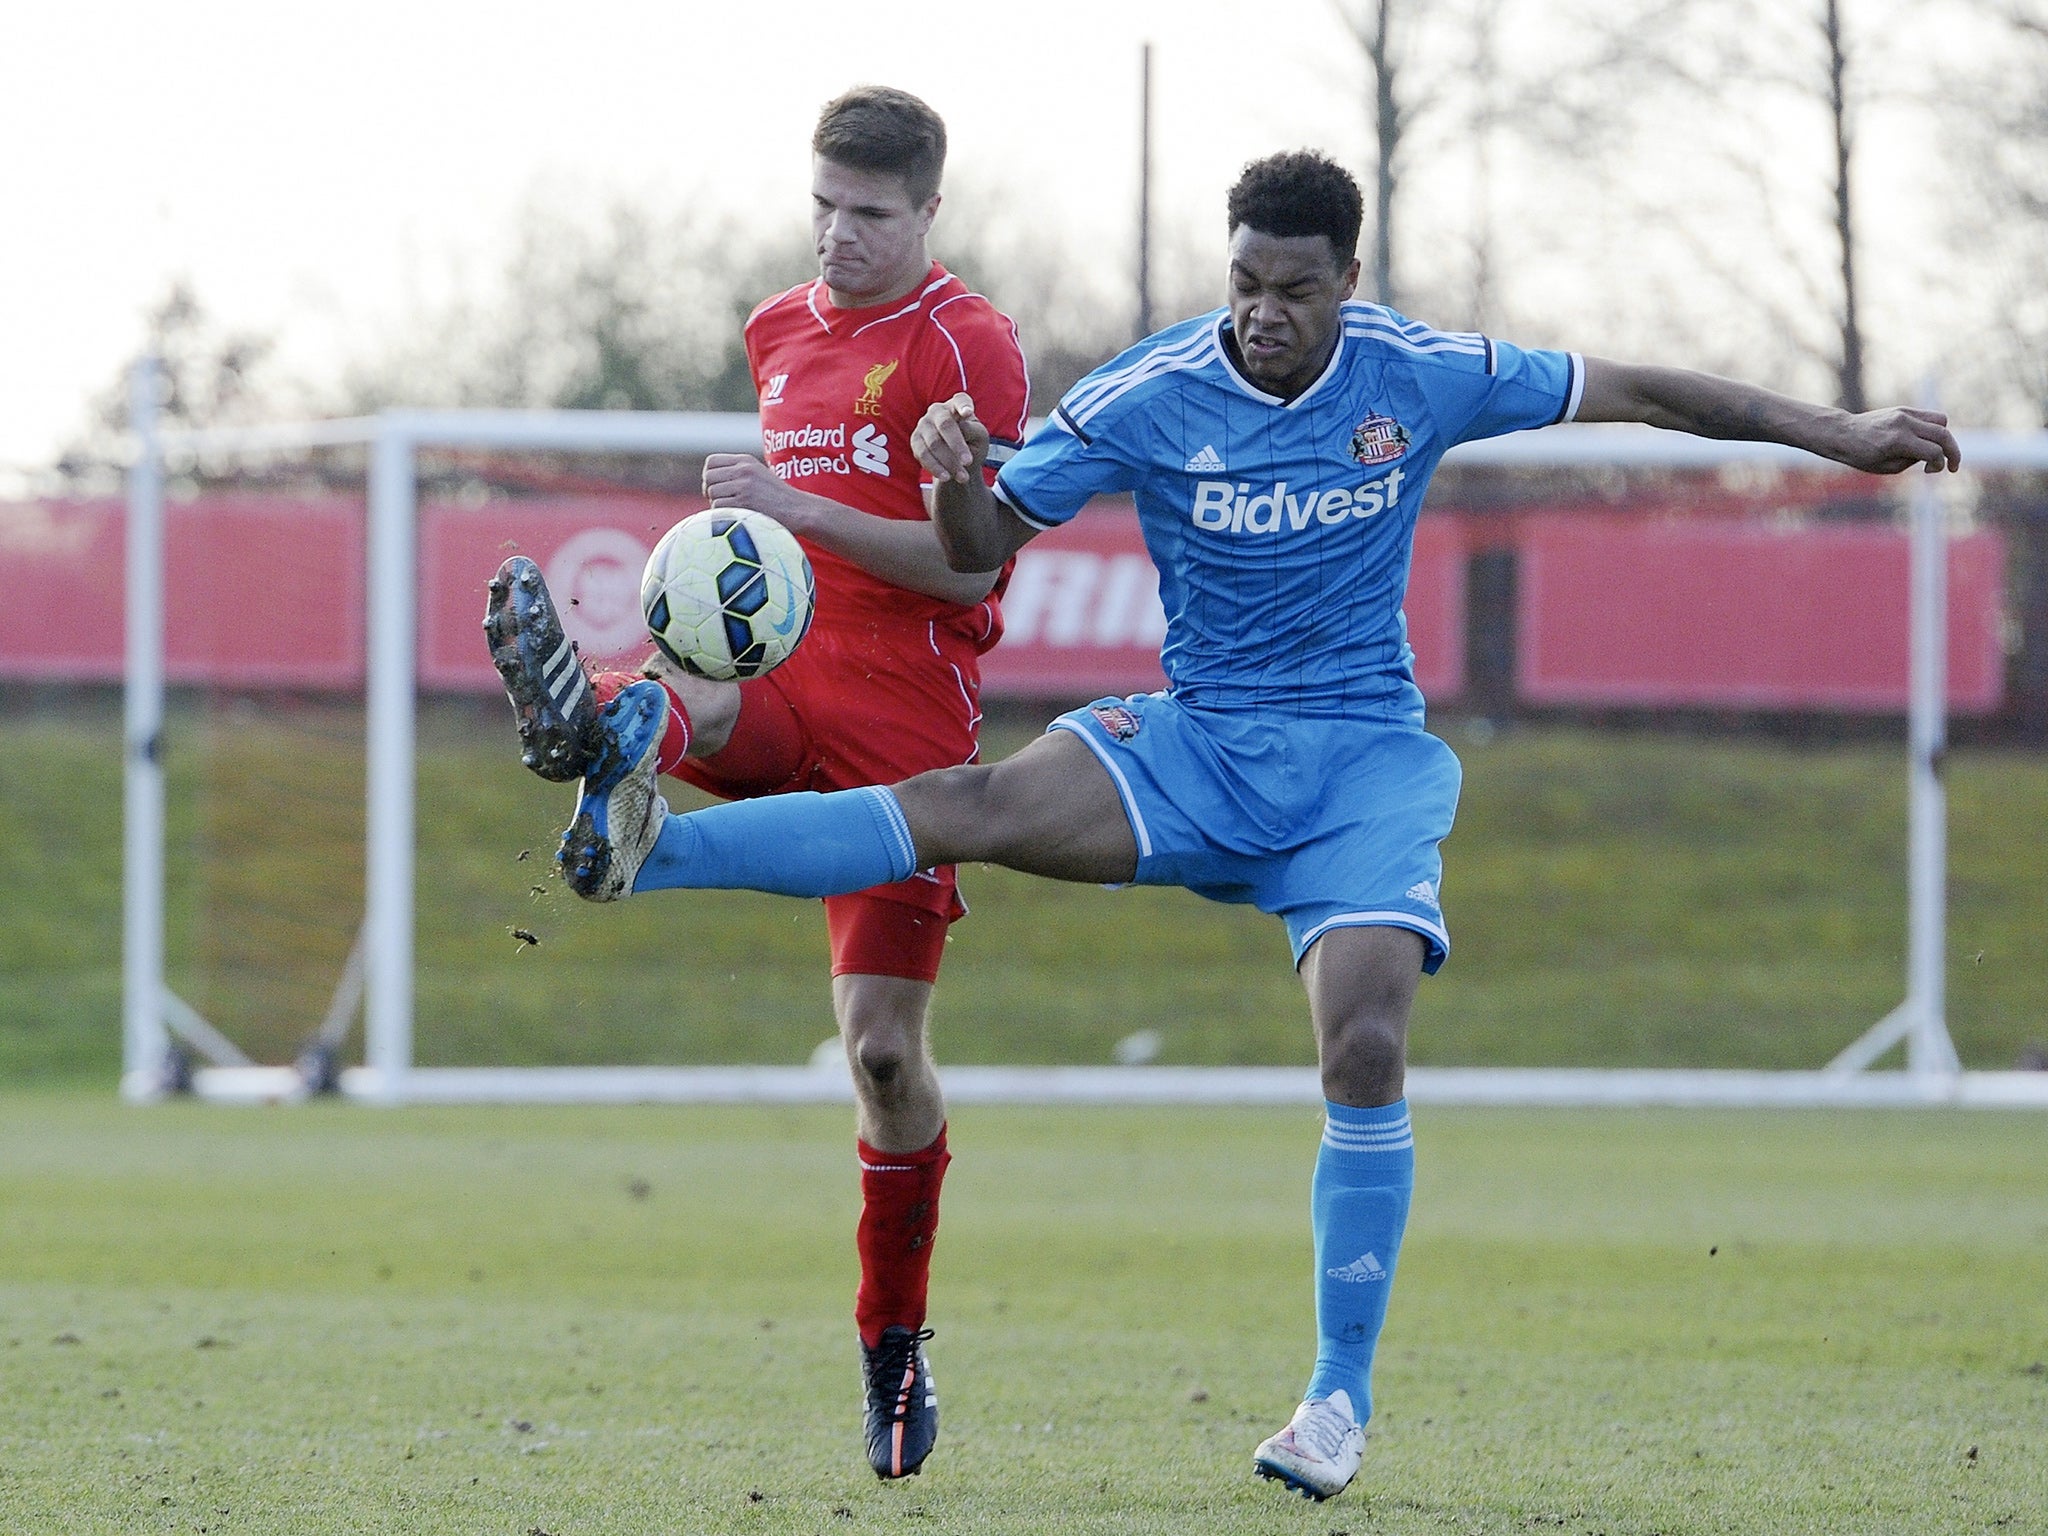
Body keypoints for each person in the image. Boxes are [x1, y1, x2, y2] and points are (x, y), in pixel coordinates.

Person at [546, 150, 1961, 1501]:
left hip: (1358, 771)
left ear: (1348, 276)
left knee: (1363, 1034)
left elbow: (1639, 388)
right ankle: (659, 851)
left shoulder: (1423, 371)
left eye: (1293, 288)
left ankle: (1336, 1399)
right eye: (1243, 283)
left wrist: (1836, 433)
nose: (1262, 314)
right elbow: (976, 551)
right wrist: (955, 468)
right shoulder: (1150, 391)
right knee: (963, 808)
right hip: (1201, 747)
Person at [484, 85, 1030, 1482]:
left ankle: (893, 1350)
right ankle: (596, 726)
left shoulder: (966, 346)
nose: (840, 237)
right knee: (682, 701)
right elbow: (782, 564)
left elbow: (973, 567)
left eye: (871, 214)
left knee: (886, 1059)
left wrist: (799, 511)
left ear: (928, 213)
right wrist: (751, 541)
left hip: (909, 715)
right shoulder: (777, 332)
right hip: (784, 679)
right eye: (824, 208)